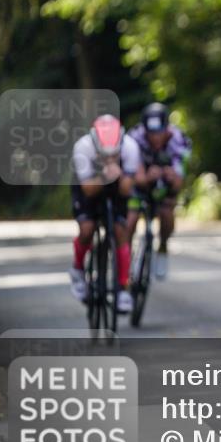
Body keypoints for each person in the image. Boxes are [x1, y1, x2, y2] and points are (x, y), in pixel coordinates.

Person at [68, 114, 143, 312]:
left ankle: (123, 287)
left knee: (121, 231)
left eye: (114, 154)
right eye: (104, 155)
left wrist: (119, 176)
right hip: (88, 185)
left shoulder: (130, 147)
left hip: (116, 188)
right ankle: (77, 268)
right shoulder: (83, 147)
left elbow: (127, 189)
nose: (109, 158)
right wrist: (104, 176)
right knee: (87, 228)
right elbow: (88, 190)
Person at [126, 102, 192, 280]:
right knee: (130, 217)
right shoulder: (134, 139)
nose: (155, 138)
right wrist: (147, 178)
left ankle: (162, 248)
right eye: (150, 133)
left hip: (164, 185)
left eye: (159, 133)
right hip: (140, 181)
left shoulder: (179, 140)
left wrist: (171, 177)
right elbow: (135, 176)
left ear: (167, 129)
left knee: (167, 211)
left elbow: (179, 182)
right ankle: (125, 258)